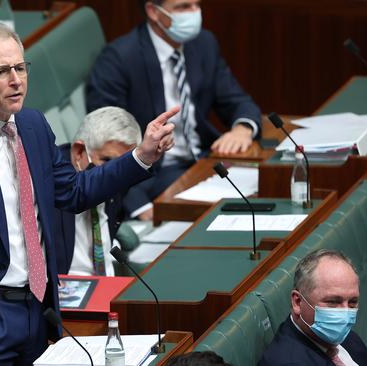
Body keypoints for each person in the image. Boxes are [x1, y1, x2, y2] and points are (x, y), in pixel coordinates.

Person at [0, 23, 177, 366]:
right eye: (1, 71)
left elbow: (75, 192)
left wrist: (141, 156)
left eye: (20, 67)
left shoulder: (33, 126)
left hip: (38, 309)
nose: (16, 79)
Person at [86, 0, 261, 220]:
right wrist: (140, 207)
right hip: (153, 177)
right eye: (183, 7)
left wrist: (242, 128)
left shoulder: (203, 43)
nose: (195, 13)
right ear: (153, 11)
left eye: (197, 5)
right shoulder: (118, 59)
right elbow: (108, 144)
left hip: (204, 162)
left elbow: (236, 99)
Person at [54, 106, 142, 276]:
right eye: (107, 160)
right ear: (79, 152)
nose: (114, 173)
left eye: (122, 165)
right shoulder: (49, 183)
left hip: (107, 286)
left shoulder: (118, 177)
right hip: (65, 292)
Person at [259, 249, 367, 365]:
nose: (345, 313)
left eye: (352, 302)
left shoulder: (345, 339)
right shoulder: (286, 361)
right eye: (333, 302)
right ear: (298, 302)